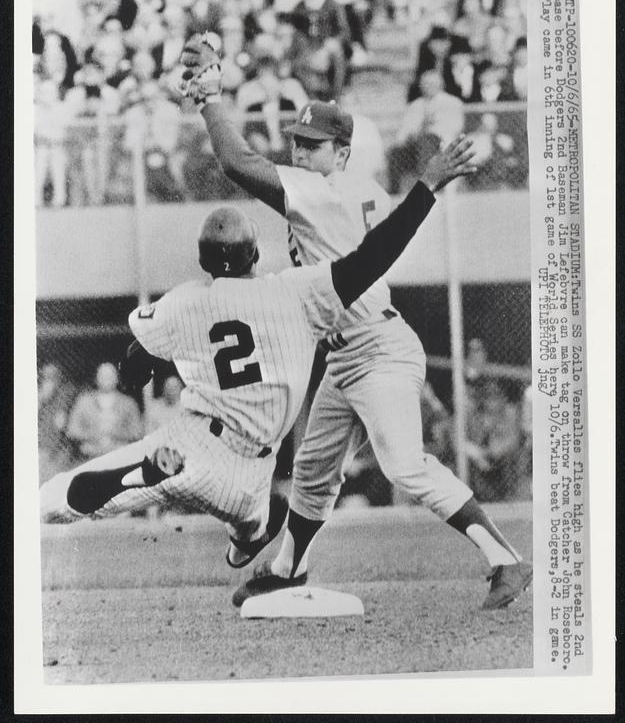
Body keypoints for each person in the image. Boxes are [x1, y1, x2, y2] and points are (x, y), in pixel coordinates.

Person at [178, 33, 532, 610]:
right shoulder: (357, 187)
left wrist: (212, 96)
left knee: (403, 464)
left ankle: (506, 559)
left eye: (315, 145)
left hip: (379, 348)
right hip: (347, 353)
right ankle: (290, 568)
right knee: (314, 469)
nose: (301, 152)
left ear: (341, 153)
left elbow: (236, 162)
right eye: (298, 141)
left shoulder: (324, 192)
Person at [40, 135, 473, 572]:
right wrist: (427, 187)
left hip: (192, 443)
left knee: (60, 496)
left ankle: (142, 477)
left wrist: (141, 365)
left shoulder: (186, 301)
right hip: (249, 477)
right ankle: (247, 537)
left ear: (203, 259)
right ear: (255, 253)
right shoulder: (294, 293)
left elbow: (135, 362)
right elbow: (373, 257)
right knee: (248, 532)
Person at [65, 362, 143, 462]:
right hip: (89, 457)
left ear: (117, 379)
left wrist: (115, 433)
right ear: (96, 378)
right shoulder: (84, 401)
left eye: (110, 376)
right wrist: (93, 435)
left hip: (119, 458)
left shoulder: (128, 403)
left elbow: (137, 432)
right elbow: (72, 430)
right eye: (102, 376)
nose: (106, 379)